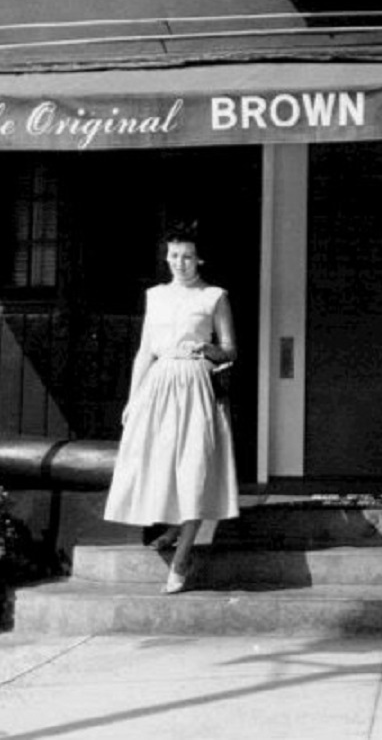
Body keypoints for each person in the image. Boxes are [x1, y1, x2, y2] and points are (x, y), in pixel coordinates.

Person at [103, 222, 239, 593]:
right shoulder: (155, 296)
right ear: (166, 257)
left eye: (188, 256)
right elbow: (145, 352)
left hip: (196, 383)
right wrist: (132, 400)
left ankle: (182, 558)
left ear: (200, 258)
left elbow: (229, 349)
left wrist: (208, 351)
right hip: (159, 386)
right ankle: (176, 527)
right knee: (163, 464)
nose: (180, 263)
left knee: (194, 465)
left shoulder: (214, 296)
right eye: (174, 255)